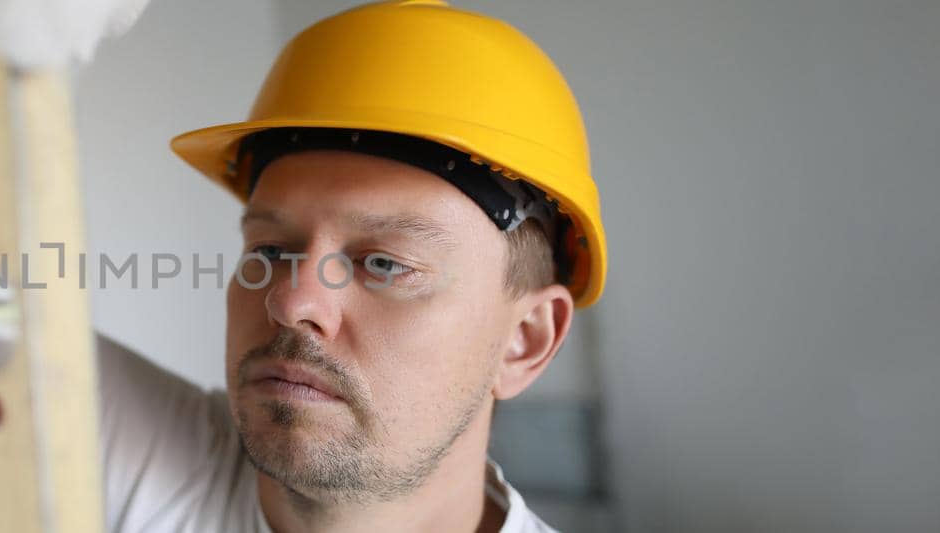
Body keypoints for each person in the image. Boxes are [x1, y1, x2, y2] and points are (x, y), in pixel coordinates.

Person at [98, 1, 609, 532]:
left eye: (385, 264)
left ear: (524, 340)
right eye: (270, 251)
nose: (292, 301)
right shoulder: (130, 451)